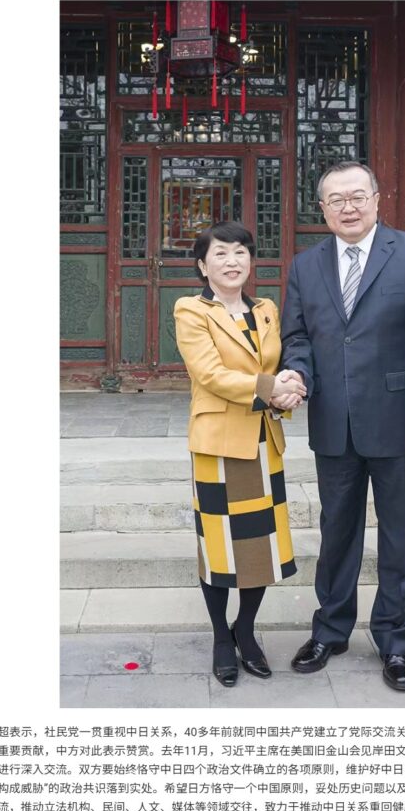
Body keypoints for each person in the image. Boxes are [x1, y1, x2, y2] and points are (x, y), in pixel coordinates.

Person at [278, 162, 405, 692]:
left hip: (400, 423)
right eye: (336, 200)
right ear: (323, 209)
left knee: (400, 535)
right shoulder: (305, 265)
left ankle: (395, 643)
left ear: (377, 199)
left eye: (357, 196)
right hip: (334, 420)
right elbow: (297, 337)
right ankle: (330, 631)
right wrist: (297, 374)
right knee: (337, 533)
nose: (348, 207)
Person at [174, 221, 306, 688]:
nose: (232, 262)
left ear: (251, 261)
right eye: (220, 253)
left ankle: (245, 630)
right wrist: (272, 387)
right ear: (202, 265)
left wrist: (291, 385)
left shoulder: (266, 310)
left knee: (259, 546)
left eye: (240, 253)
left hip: (263, 441)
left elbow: (282, 362)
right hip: (217, 445)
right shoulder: (191, 310)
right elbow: (210, 374)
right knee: (219, 547)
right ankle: (219, 637)